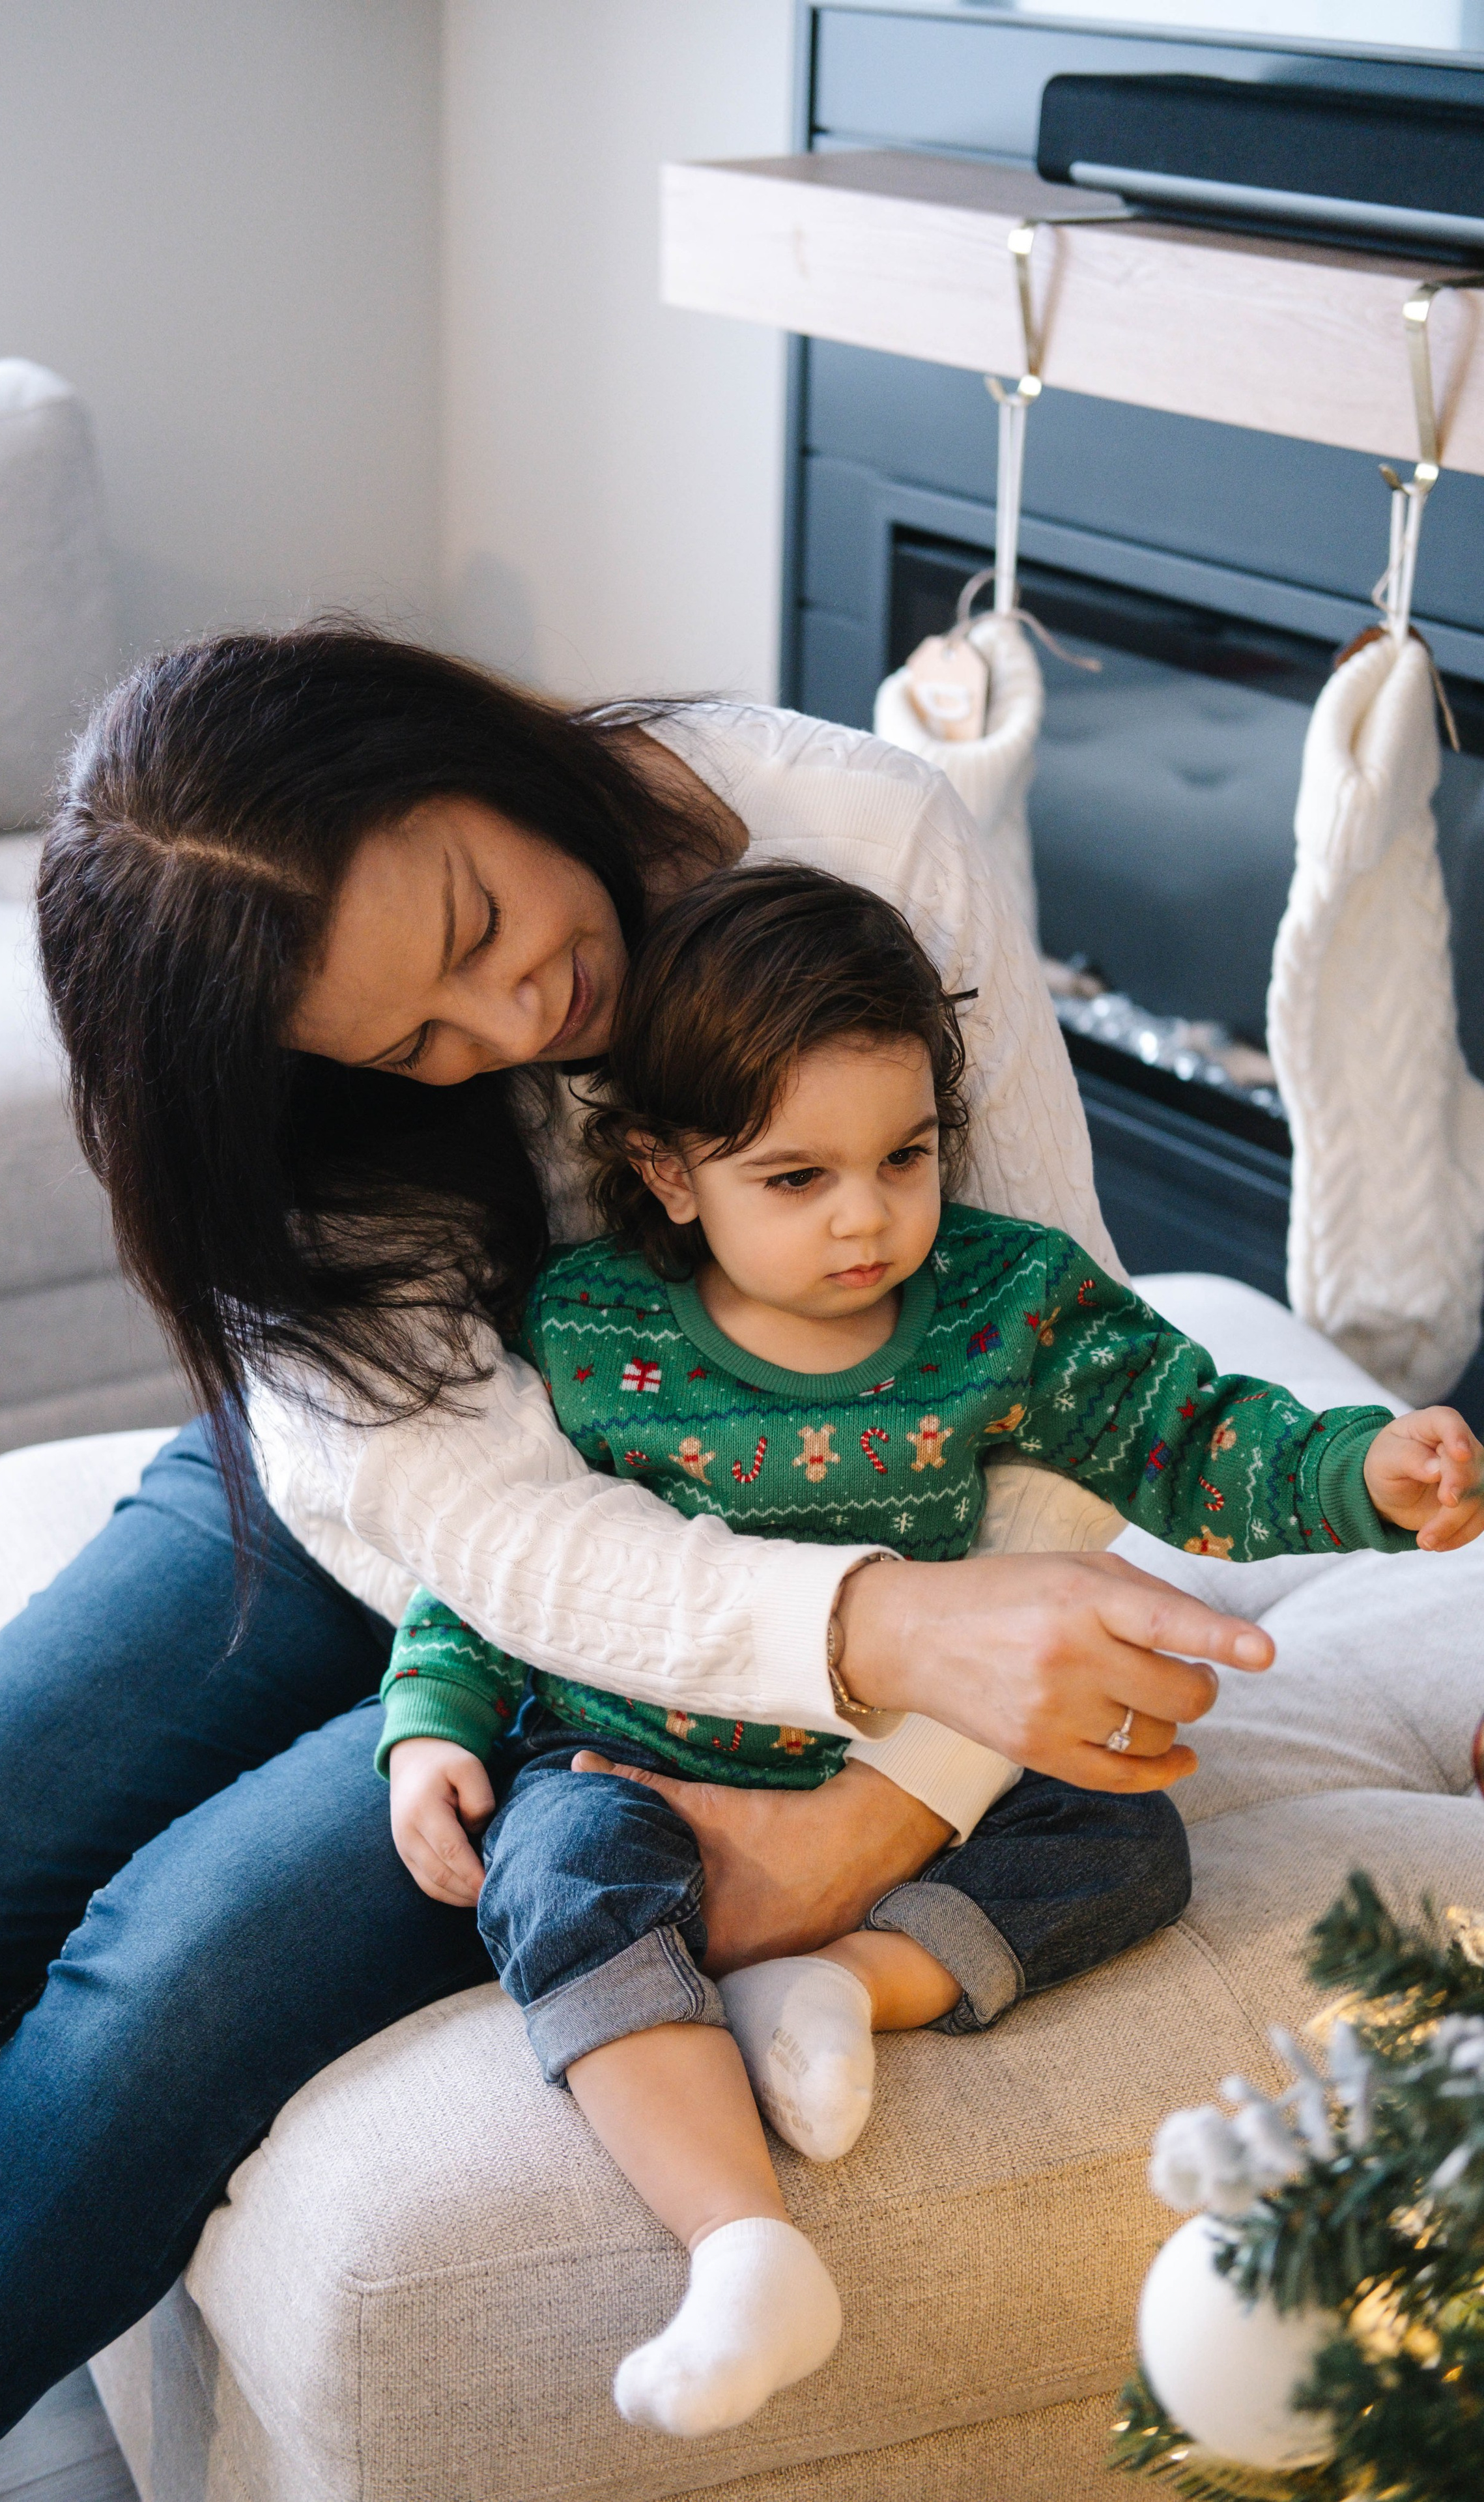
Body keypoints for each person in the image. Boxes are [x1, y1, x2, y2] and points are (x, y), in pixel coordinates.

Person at [0, 626, 1298, 2498]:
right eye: (417, 1046)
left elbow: (1054, 1358)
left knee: (159, 1994)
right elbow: (481, 1519)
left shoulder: (854, 839)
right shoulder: (292, 1101)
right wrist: (880, 1633)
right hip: (401, 1491)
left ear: (458, 749)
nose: (513, 1027)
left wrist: (891, 1803)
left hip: (699, 1610)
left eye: (472, 934)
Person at [378, 861, 1484, 2438]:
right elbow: (495, 1567)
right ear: (665, 1171)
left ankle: (846, 1985)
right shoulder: (592, 1329)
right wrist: (429, 1726)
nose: (867, 1217)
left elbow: (1190, 1435)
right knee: (549, 1882)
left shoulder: (1002, 1304)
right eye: (793, 1178)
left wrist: (1368, 1477)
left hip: (914, 1775)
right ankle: (742, 2249)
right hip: (625, 1760)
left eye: (902, 1157)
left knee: (1123, 1835)